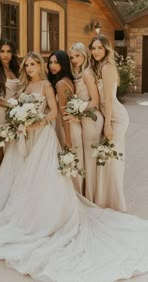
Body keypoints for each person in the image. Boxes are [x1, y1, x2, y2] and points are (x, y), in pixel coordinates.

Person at [0, 51, 148, 282]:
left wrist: (38, 121)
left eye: (34, 64)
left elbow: (55, 113)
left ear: (40, 65)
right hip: (25, 138)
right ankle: (22, 213)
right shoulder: (25, 87)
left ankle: (46, 217)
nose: (30, 68)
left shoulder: (48, 85)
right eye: (27, 65)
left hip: (42, 137)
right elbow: (14, 106)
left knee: (42, 177)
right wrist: (19, 120)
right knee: (23, 178)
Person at [89, 34, 129, 212]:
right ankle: (105, 200)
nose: (96, 51)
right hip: (109, 116)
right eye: (94, 48)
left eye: (100, 48)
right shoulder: (99, 67)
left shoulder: (107, 68)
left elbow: (109, 100)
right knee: (106, 160)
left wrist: (107, 125)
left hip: (116, 118)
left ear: (106, 49)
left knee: (111, 160)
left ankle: (115, 203)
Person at [68, 42, 104, 202]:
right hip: (83, 116)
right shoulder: (76, 73)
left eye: (78, 55)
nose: (75, 59)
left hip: (91, 117)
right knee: (83, 157)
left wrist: (79, 110)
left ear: (85, 55)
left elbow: (95, 100)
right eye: (72, 57)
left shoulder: (87, 73)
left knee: (90, 158)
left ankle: (91, 197)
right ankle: (84, 193)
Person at [47, 50, 83, 194]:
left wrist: (67, 139)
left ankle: (73, 195)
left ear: (63, 64)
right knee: (72, 164)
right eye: (50, 62)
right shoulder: (67, 79)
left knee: (69, 163)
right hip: (70, 126)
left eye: (56, 62)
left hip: (66, 128)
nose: (52, 66)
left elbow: (63, 114)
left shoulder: (61, 84)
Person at [0, 39, 20, 185]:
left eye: (8, 51)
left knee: (12, 152)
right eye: (2, 51)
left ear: (13, 53)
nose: (5, 55)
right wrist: (9, 104)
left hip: (14, 115)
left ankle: (8, 187)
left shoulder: (16, 69)